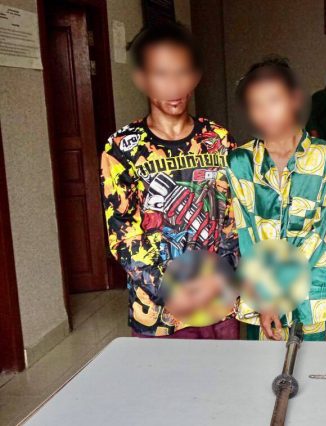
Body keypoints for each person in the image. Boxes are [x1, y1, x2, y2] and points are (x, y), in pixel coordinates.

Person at [100, 22, 238, 338]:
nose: (174, 86)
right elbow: (122, 231)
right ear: (142, 78)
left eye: (182, 72)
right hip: (159, 312)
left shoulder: (219, 140)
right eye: (161, 74)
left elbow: (235, 218)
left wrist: (221, 277)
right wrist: (166, 290)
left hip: (219, 303)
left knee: (227, 370)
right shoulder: (121, 148)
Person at [224, 57, 326, 341]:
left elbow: (322, 229)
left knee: (317, 365)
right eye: (256, 104)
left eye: (274, 100)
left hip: (312, 291)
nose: (266, 112)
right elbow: (246, 235)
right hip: (261, 296)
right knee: (263, 366)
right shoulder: (240, 162)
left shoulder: (325, 156)